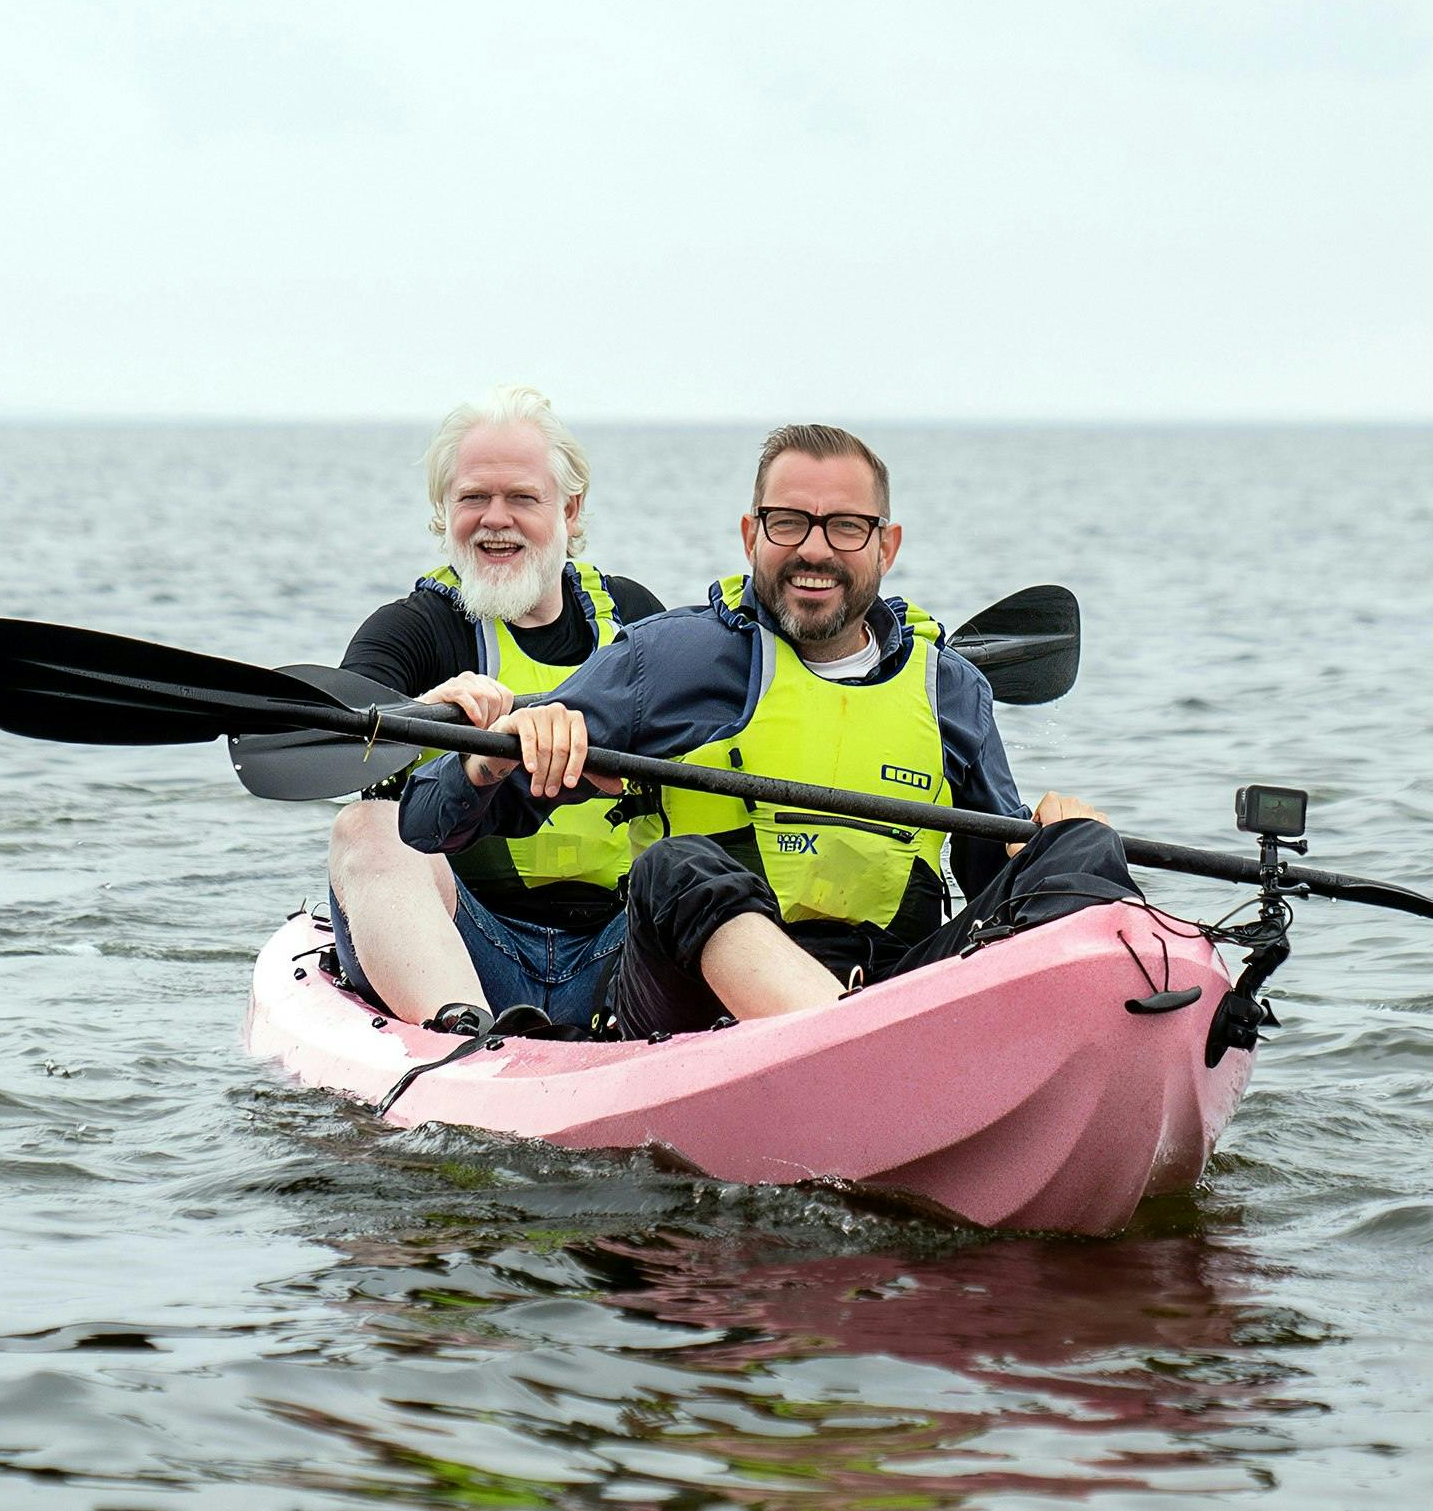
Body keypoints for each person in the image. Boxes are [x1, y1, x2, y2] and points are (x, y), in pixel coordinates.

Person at [401, 421, 1129, 1040]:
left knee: (1083, 847)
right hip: (693, 1011)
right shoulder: (669, 659)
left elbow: (996, 885)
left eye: (845, 527)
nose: (814, 550)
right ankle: (848, 1052)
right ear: (752, 534)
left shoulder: (950, 690)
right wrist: (488, 763)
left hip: (898, 998)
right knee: (673, 865)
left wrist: (1043, 841)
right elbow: (429, 821)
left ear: (886, 545)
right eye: (789, 523)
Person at [328, 385, 666, 1035]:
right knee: (366, 826)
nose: (495, 519)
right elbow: (335, 731)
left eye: (521, 498)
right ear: (443, 510)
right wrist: (420, 712)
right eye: (473, 498)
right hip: (470, 951)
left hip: (620, 958)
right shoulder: (413, 629)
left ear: (570, 507)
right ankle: (465, 1043)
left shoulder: (636, 621)